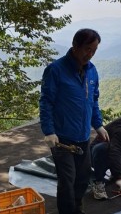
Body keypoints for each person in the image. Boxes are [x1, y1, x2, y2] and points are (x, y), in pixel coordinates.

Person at [39, 28, 109, 214]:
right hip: (61, 138)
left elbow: (93, 100)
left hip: (83, 136)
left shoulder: (92, 71)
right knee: (67, 179)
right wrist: (49, 131)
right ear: (75, 46)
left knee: (83, 177)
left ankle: (76, 208)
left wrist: (98, 124)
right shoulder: (56, 70)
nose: (90, 54)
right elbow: (46, 102)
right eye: (87, 49)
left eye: (94, 50)